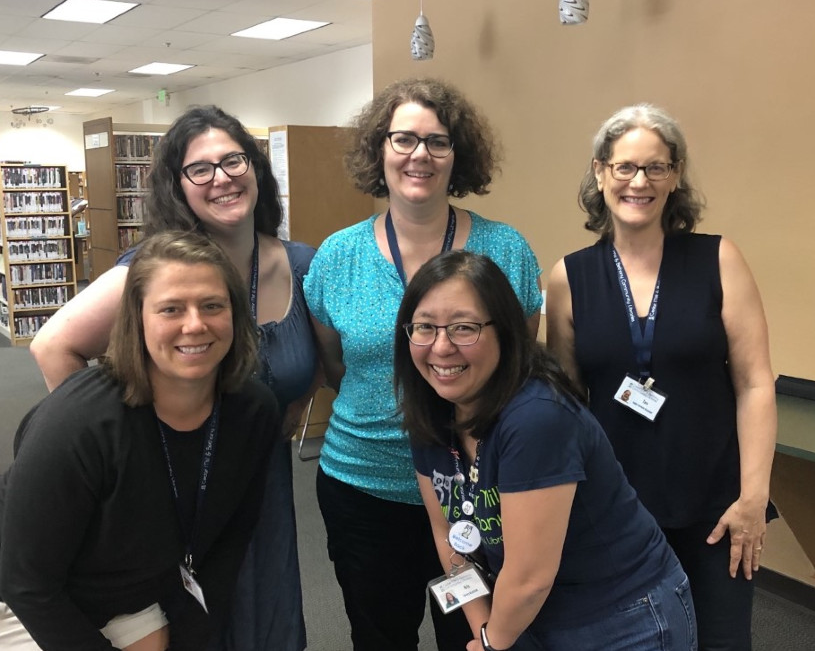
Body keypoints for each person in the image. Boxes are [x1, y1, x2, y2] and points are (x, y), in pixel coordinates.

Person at [29, 105, 314, 651]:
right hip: (176, 488)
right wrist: (111, 450)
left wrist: (298, 401)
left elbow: (317, 354)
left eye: (233, 160)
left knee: (266, 622)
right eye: (200, 169)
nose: (222, 178)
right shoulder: (152, 269)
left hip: (263, 488)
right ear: (178, 186)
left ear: (255, 167)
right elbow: (53, 345)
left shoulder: (302, 264)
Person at [303, 77, 543, 650]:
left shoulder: (504, 250)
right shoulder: (339, 255)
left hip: (476, 490)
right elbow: (333, 363)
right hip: (364, 489)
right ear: (379, 150)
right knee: (379, 635)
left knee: (474, 635)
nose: (419, 155)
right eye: (404, 139)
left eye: (437, 142)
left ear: (458, 156)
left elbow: (519, 361)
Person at [546, 104, 776, 650]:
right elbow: (567, 399)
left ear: (675, 177)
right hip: (616, 509)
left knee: (721, 640)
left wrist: (753, 498)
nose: (639, 181)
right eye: (625, 167)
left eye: (656, 167)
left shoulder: (719, 259)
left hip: (717, 508)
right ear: (600, 172)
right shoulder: (568, 277)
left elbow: (755, 383)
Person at [395, 250, 697, 651]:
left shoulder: (537, 416)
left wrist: (492, 642)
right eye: (424, 327)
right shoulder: (431, 411)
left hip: (622, 617)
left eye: (464, 328)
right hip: (527, 615)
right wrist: (484, 628)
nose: (441, 347)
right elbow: (449, 535)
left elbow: (530, 578)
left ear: (504, 330)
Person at [0, 231, 278, 650]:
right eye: (171, 309)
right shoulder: (80, 421)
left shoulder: (253, 411)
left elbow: (231, 540)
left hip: (128, 590)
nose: (195, 324)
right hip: (21, 595)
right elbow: (26, 582)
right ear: (138, 318)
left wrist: (193, 633)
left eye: (212, 305)